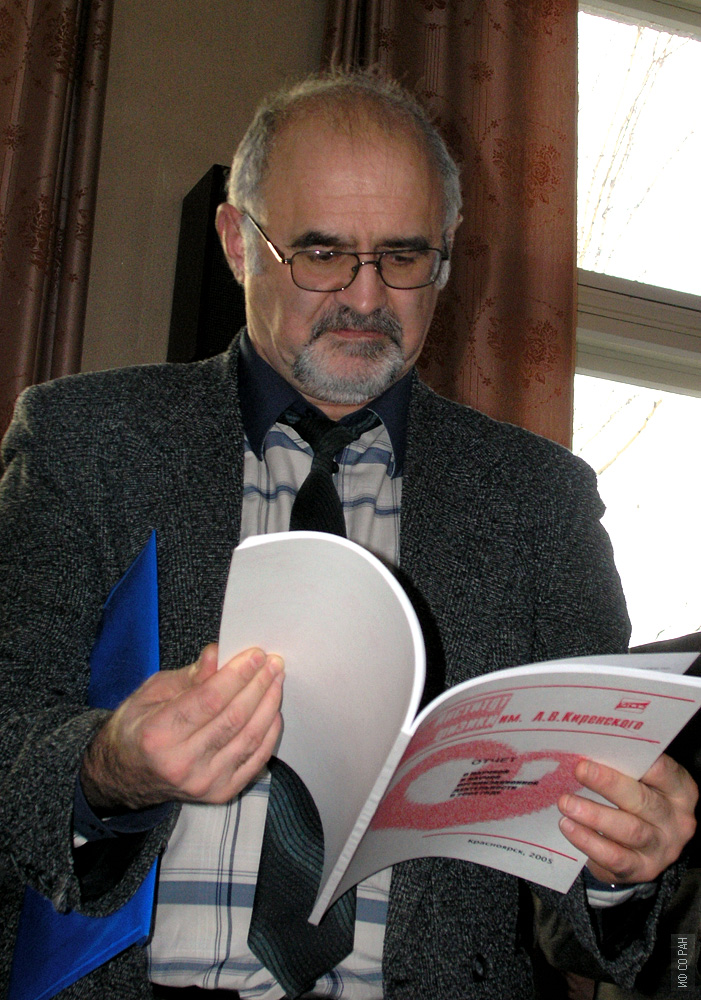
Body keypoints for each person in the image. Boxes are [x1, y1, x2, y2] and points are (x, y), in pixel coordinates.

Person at [0, 71, 697, 1000]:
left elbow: (584, 881)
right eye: (322, 253)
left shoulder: (540, 501)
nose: (365, 298)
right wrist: (107, 768)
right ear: (237, 242)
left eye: (403, 256)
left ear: (445, 254)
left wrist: (625, 865)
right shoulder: (86, 442)